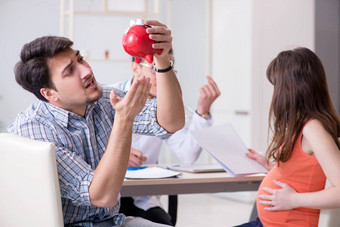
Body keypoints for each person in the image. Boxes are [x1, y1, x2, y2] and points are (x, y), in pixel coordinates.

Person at [8, 19, 185, 227]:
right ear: (49, 94)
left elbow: (171, 122)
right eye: (69, 71)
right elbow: (101, 196)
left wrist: (162, 61)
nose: (86, 71)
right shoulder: (35, 129)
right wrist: (124, 120)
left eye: (80, 59)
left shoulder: (101, 99)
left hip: (113, 222)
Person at [236, 47, 340, 227]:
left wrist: (293, 200)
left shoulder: (313, 129)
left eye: (277, 85)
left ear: (291, 88)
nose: (275, 93)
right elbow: (301, 176)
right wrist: (270, 167)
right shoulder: (301, 125)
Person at [115, 50, 220, 225]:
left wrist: (202, 111)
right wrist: (118, 154)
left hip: (141, 198)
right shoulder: (109, 97)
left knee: (161, 222)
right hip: (108, 197)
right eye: (155, 68)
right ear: (135, 68)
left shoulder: (164, 108)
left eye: (167, 68)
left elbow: (188, 155)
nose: (161, 75)